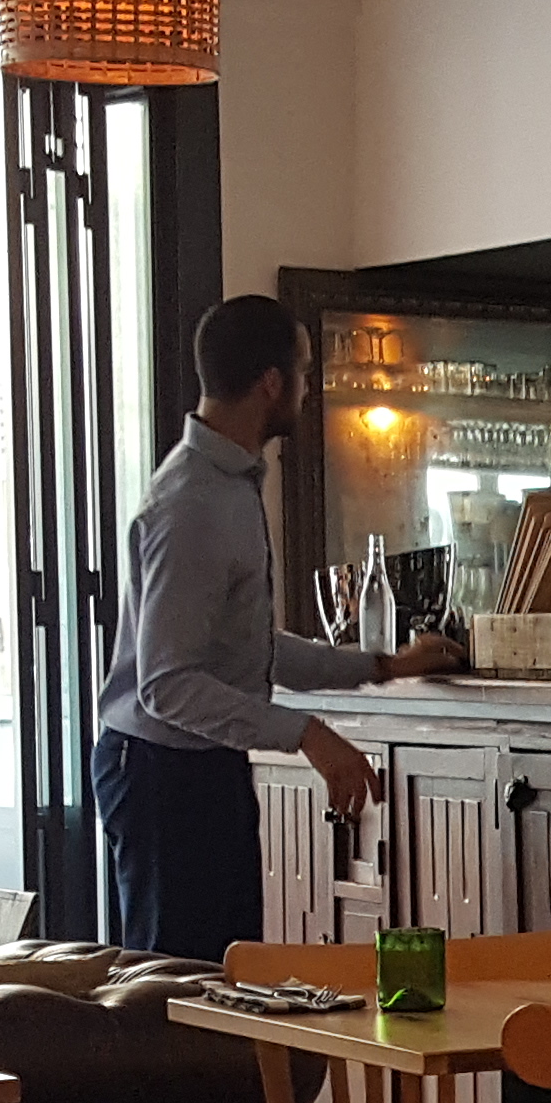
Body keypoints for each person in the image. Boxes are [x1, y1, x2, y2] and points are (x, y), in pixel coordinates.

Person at [97, 293, 463, 962]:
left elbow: (248, 652)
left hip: (197, 765)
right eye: (304, 370)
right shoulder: (193, 503)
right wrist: (307, 734)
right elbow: (168, 686)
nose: (308, 387)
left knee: (225, 974)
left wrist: (383, 666)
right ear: (272, 382)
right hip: (163, 773)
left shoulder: (228, 485)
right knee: (178, 991)